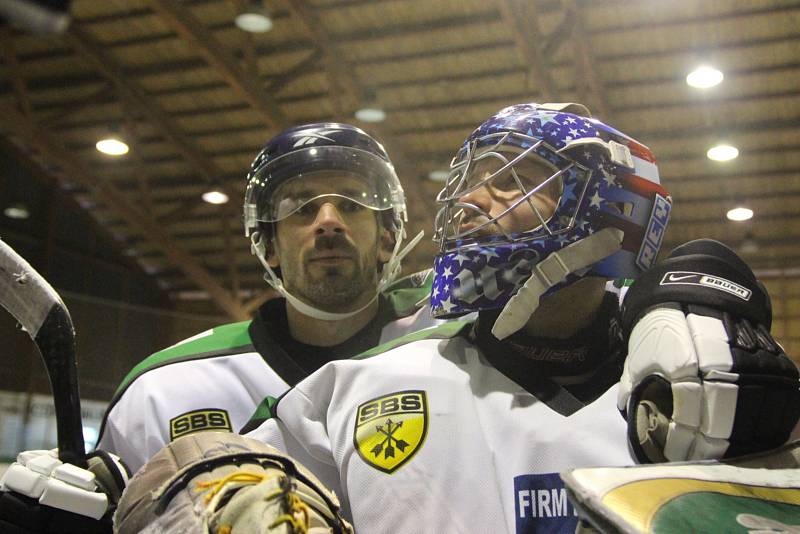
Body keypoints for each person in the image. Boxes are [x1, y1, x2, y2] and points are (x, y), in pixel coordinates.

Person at [115, 102, 800, 534]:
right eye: (473, 178)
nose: (473, 199)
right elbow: (206, 474)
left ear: (612, 207)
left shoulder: (703, 367)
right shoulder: (356, 384)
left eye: (511, 177)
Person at [0, 123, 447, 532]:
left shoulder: (452, 357)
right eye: (299, 208)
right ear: (269, 245)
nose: (328, 221)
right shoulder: (161, 390)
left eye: (351, 203)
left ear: (387, 236)